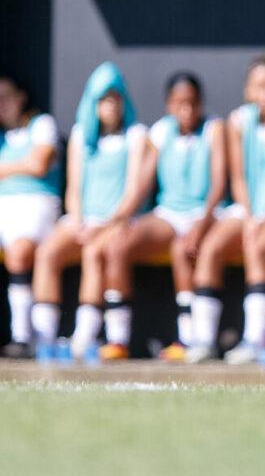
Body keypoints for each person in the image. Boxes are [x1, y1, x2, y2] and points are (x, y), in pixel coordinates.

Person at [184, 56, 265, 364]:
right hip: (248, 209)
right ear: (248, 90)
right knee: (210, 248)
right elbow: (239, 178)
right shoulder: (239, 122)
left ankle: (255, 340)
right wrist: (251, 214)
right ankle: (203, 340)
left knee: (257, 247)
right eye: (259, 86)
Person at [97, 73, 226, 361]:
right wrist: (119, 219)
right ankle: (117, 339)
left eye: (193, 103)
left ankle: (188, 339)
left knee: (182, 250)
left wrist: (202, 224)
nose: (187, 110)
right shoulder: (160, 131)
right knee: (117, 245)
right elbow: (142, 185)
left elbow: (218, 184)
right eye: (180, 104)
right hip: (168, 214)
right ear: (168, 105)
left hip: (206, 214)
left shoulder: (215, 128)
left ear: (201, 103)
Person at [32, 62, 147, 359]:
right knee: (47, 253)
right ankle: (43, 339)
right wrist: (79, 221)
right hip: (83, 220)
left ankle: (84, 337)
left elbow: (134, 190)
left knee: (94, 252)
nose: (111, 105)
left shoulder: (136, 135)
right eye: (104, 99)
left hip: (119, 221)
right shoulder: (81, 135)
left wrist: (109, 223)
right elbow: (74, 188)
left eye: (116, 98)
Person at [0, 76, 62, 358]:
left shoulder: (42, 124)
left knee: (20, 250)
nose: (2, 104)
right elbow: (29, 163)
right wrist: (19, 165)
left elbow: (39, 164)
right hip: (5, 206)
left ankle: (22, 337)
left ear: (21, 97)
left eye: (6, 96)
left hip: (37, 204)